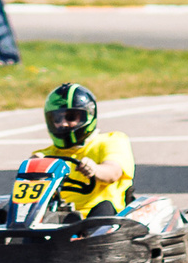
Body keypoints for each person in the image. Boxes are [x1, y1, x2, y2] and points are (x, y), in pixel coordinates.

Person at [35, 82, 135, 212]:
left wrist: (95, 170)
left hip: (97, 216)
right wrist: (33, 168)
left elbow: (113, 172)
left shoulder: (111, 140)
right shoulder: (45, 155)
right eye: (57, 119)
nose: (63, 124)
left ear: (88, 115)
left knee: (104, 208)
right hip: (58, 216)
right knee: (2, 210)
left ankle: (88, 232)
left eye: (70, 117)